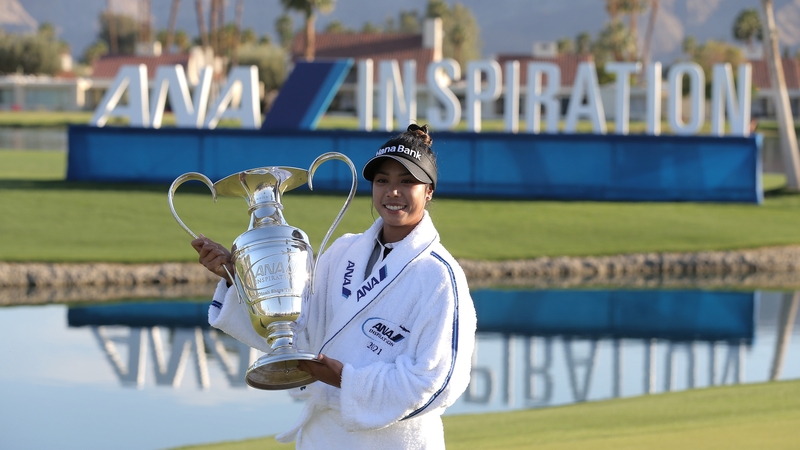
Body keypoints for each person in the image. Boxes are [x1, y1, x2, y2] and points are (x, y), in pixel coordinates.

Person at [191, 124, 477, 449]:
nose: (392, 192)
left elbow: (438, 382)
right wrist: (238, 276)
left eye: (407, 182)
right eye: (382, 181)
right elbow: (298, 331)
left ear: (429, 191)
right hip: (325, 437)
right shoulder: (344, 251)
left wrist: (345, 380)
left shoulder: (440, 277)